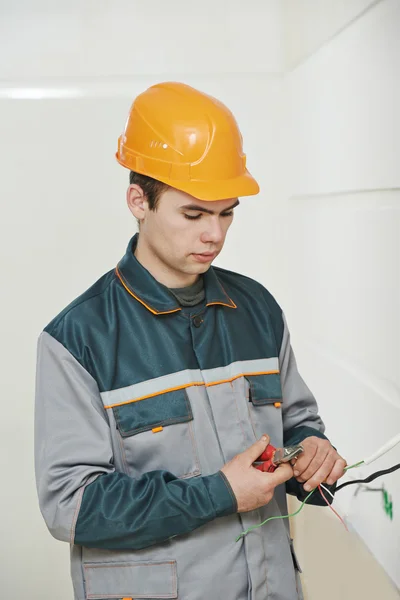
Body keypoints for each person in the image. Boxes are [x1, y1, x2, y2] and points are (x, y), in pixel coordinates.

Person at [35, 82, 346, 600]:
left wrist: (313, 452)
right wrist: (218, 493)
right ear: (139, 200)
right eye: (194, 214)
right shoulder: (78, 339)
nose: (215, 235)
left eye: (226, 213)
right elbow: (70, 505)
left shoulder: (258, 310)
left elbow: (298, 423)